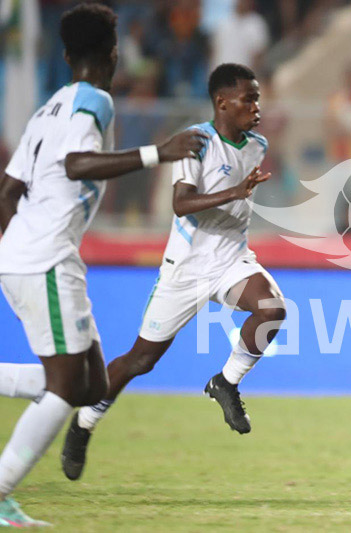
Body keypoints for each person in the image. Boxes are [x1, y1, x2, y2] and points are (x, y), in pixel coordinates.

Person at [0, 4, 205, 527]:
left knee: (89, 384)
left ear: (67, 55)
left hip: (34, 254)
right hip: (44, 258)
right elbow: (77, 165)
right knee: (67, 387)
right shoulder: (96, 101)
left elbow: (8, 191)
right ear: (113, 56)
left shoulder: (48, 109)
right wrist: (160, 152)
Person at [59, 63, 286, 482]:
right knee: (140, 360)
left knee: (272, 309)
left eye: (257, 97)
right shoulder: (196, 142)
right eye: (248, 98)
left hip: (232, 258)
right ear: (222, 102)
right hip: (186, 268)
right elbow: (181, 205)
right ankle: (84, 423)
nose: (257, 106)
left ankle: (226, 382)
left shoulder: (257, 145)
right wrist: (235, 192)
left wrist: (239, 195)